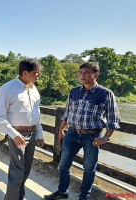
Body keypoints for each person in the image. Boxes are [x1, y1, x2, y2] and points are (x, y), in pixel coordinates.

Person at [44, 62, 120, 200]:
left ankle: (84, 197)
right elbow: (67, 112)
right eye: (80, 72)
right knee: (63, 165)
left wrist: (105, 138)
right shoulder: (74, 91)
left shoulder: (105, 93)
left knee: (89, 169)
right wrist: (61, 130)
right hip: (72, 134)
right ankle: (62, 192)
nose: (82, 75)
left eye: (86, 73)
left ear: (95, 75)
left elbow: (113, 118)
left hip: (92, 137)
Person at [0, 58, 44, 200]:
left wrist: (39, 134)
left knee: (26, 170)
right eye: (36, 73)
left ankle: (18, 197)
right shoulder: (8, 88)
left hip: (32, 133)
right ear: (25, 72)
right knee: (17, 170)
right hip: (17, 133)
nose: (38, 75)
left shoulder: (33, 89)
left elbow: (36, 114)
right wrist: (13, 134)